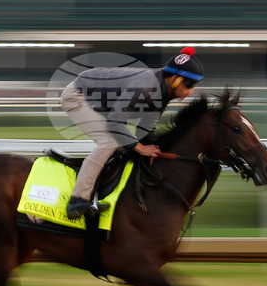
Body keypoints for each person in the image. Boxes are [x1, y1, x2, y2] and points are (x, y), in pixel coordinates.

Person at [60, 47, 203, 220]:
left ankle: (100, 193)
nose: (191, 91)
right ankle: (77, 200)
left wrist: (157, 148)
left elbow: (145, 129)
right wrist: (139, 147)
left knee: (124, 147)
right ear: (174, 79)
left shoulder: (164, 93)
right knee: (110, 142)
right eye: (189, 85)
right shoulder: (145, 88)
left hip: (99, 101)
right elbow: (115, 122)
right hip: (76, 95)